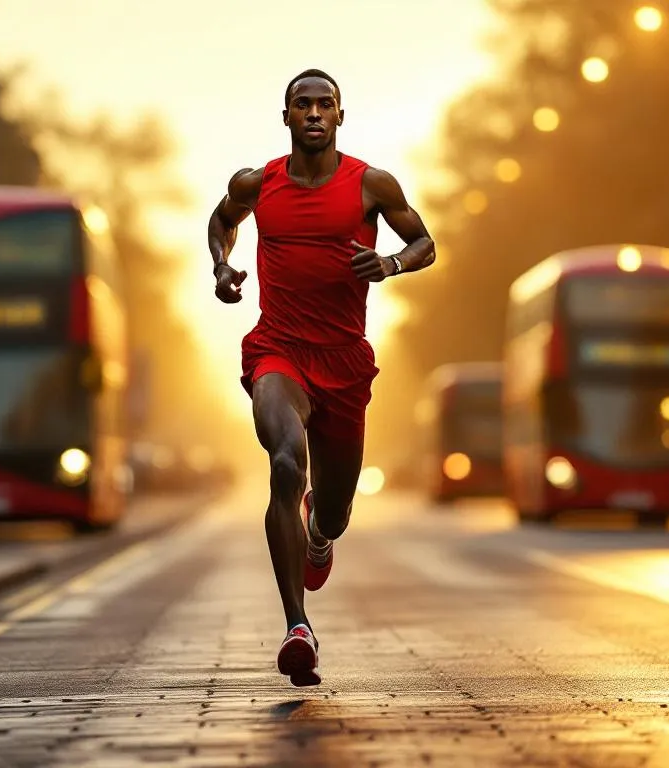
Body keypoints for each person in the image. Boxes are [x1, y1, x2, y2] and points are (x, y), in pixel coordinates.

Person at [207, 69, 435, 687]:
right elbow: (221, 219)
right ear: (285, 116)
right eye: (301, 104)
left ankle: (317, 531)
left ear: (339, 116)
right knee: (286, 461)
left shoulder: (371, 185)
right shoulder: (258, 183)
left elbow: (425, 243)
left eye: (323, 105)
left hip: (343, 361)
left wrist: (388, 261)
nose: (313, 113)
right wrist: (222, 267)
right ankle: (297, 627)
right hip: (278, 349)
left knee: (334, 511)